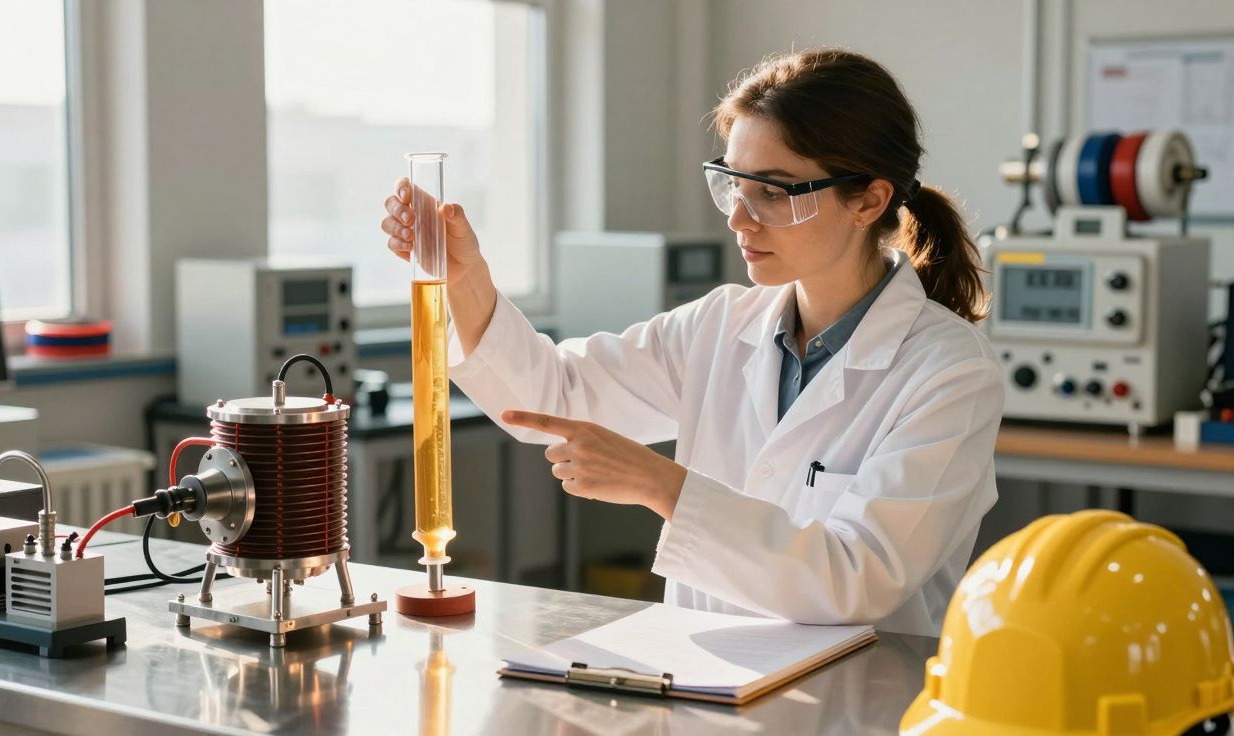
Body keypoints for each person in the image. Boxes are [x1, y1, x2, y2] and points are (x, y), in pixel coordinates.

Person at [380, 48, 1002, 637]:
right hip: (706, 680)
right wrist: (465, 276)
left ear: (868, 200)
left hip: (856, 694)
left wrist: (664, 486)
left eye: (773, 191)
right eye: (734, 184)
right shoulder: (719, 325)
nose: (737, 217)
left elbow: (859, 578)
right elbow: (553, 398)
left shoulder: (947, 372)